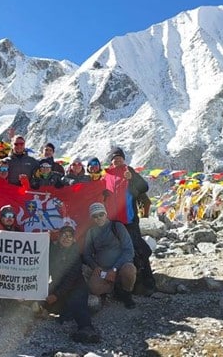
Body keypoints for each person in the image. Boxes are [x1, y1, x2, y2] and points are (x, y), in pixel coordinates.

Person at [102, 147, 155, 295]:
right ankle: (123, 284)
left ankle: (147, 283)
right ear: (111, 161)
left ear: (123, 159)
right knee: (118, 251)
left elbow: (144, 187)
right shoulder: (106, 176)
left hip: (129, 221)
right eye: (114, 157)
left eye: (119, 157)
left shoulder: (129, 171)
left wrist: (132, 178)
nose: (117, 159)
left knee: (139, 249)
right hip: (112, 222)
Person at [46, 225, 101, 343]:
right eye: (64, 235)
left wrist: (56, 295)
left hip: (75, 287)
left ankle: (87, 330)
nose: (66, 238)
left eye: (70, 236)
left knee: (77, 305)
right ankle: (67, 313)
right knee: (46, 303)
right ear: (59, 237)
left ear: (73, 239)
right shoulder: (53, 250)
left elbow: (70, 280)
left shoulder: (75, 253)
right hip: (57, 286)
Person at [83, 202, 137, 309]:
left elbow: (129, 250)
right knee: (94, 288)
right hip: (103, 269)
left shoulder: (117, 227)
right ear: (92, 218)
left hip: (120, 267)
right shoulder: (91, 232)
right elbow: (87, 254)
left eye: (101, 214)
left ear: (106, 214)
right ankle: (113, 289)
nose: (98, 218)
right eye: (95, 216)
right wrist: (95, 267)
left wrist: (114, 269)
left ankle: (127, 294)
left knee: (129, 270)